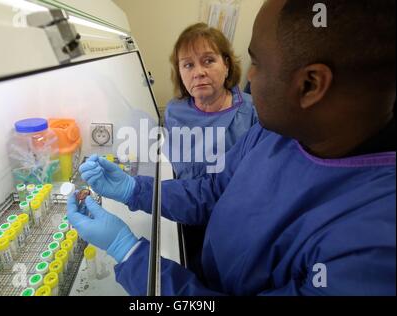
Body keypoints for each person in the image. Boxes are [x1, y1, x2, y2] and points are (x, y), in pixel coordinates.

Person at [67, 0, 396, 295]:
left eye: (258, 64)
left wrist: (129, 254)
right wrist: (134, 189)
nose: (248, 75)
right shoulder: (277, 132)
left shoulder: (373, 249)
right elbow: (213, 190)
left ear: (310, 85)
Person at [163, 23, 257, 276]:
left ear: (226, 65)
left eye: (208, 61)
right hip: (187, 218)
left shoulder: (253, 111)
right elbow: (179, 169)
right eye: (188, 65)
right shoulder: (174, 110)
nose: (199, 72)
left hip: (235, 226)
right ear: (180, 73)